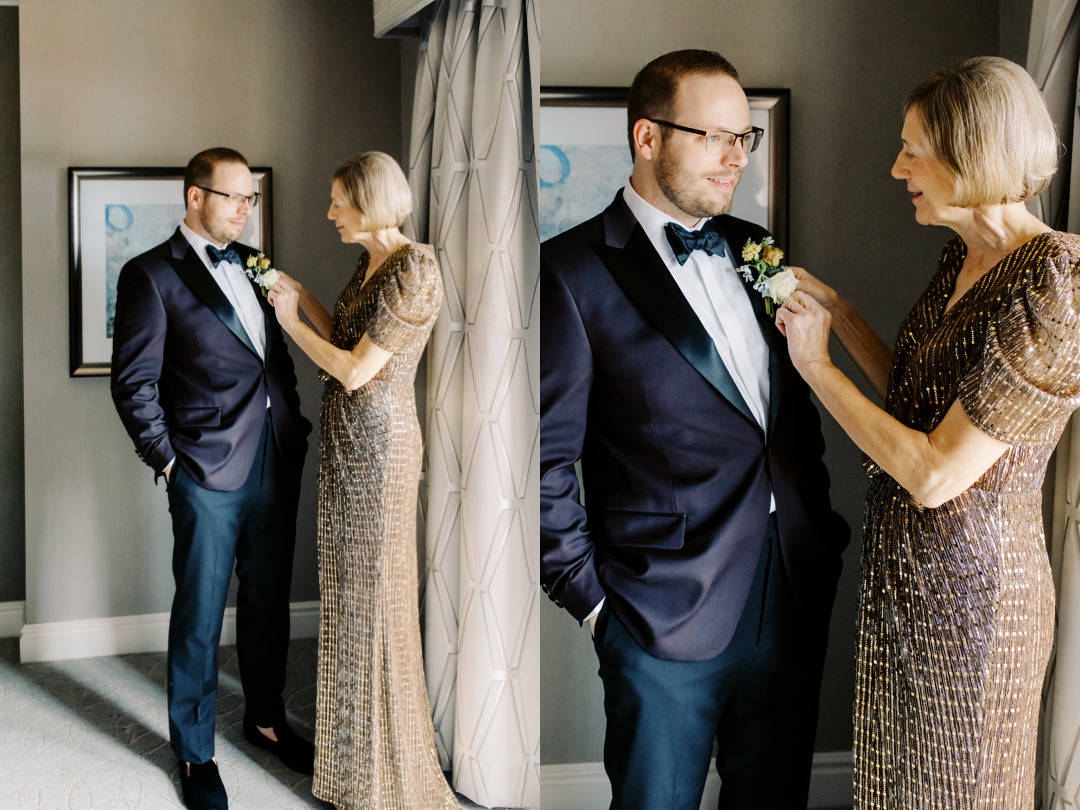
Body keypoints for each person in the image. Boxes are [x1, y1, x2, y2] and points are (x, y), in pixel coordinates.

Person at [540, 50, 850, 810]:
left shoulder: (756, 249)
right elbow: (539, 462)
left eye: (742, 138)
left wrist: (817, 536)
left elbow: (786, 416)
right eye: (712, 136)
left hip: (789, 583)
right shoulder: (570, 270)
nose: (733, 157)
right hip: (657, 607)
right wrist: (594, 604)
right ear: (648, 137)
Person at [775, 56, 1079, 809]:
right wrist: (841, 316)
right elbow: (918, 400)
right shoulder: (962, 258)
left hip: (976, 603)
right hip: (902, 583)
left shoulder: (1057, 285)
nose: (895, 166)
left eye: (913, 148)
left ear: (972, 151)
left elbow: (937, 473)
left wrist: (815, 367)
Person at [110, 147, 314, 810]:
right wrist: (170, 463)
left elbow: (269, 359)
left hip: (274, 456)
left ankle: (264, 720)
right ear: (195, 197)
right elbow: (134, 383)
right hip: (204, 468)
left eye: (250, 199)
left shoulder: (257, 266)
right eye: (233, 197)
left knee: (267, 601)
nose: (245, 210)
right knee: (200, 613)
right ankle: (196, 751)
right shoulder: (152, 275)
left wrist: (293, 421)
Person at [264, 151, 457, 810]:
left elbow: (353, 371)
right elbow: (344, 330)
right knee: (347, 604)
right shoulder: (370, 262)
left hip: (380, 448)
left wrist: (289, 326)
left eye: (337, 201)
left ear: (369, 202)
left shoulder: (416, 269)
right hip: (348, 443)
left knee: (376, 606)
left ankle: (385, 778)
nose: (329, 213)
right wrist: (298, 297)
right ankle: (353, 771)